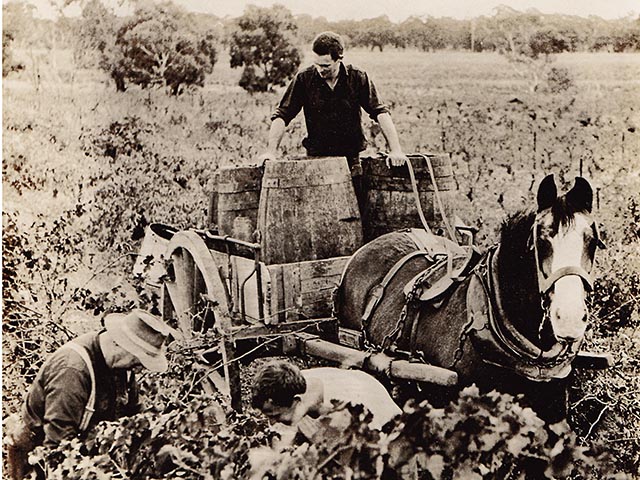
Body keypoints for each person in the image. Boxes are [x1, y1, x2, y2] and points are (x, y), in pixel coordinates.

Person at [5, 309, 173, 480]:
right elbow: (58, 445)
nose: (140, 367)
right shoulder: (72, 371)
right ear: (118, 344)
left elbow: (135, 420)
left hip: (87, 455)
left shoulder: (123, 368)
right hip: (41, 461)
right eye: (138, 360)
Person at [258, 32, 408, 211]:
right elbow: (282, 115)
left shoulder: (357, 77)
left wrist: (396, 150)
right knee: (318, 213)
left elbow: (380, 112)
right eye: (317, 64)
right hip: (316, 160)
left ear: (339, 59)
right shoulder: (304, 79)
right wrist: (271, 152)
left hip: (350, 160)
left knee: (354, 214)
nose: (320, 70)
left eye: (326, 66)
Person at [251, 360, 401, 431]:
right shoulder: (291, 384)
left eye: (276, 416)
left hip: (388, 433)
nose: (271, 422)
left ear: (297, 401)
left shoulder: (349, 406)